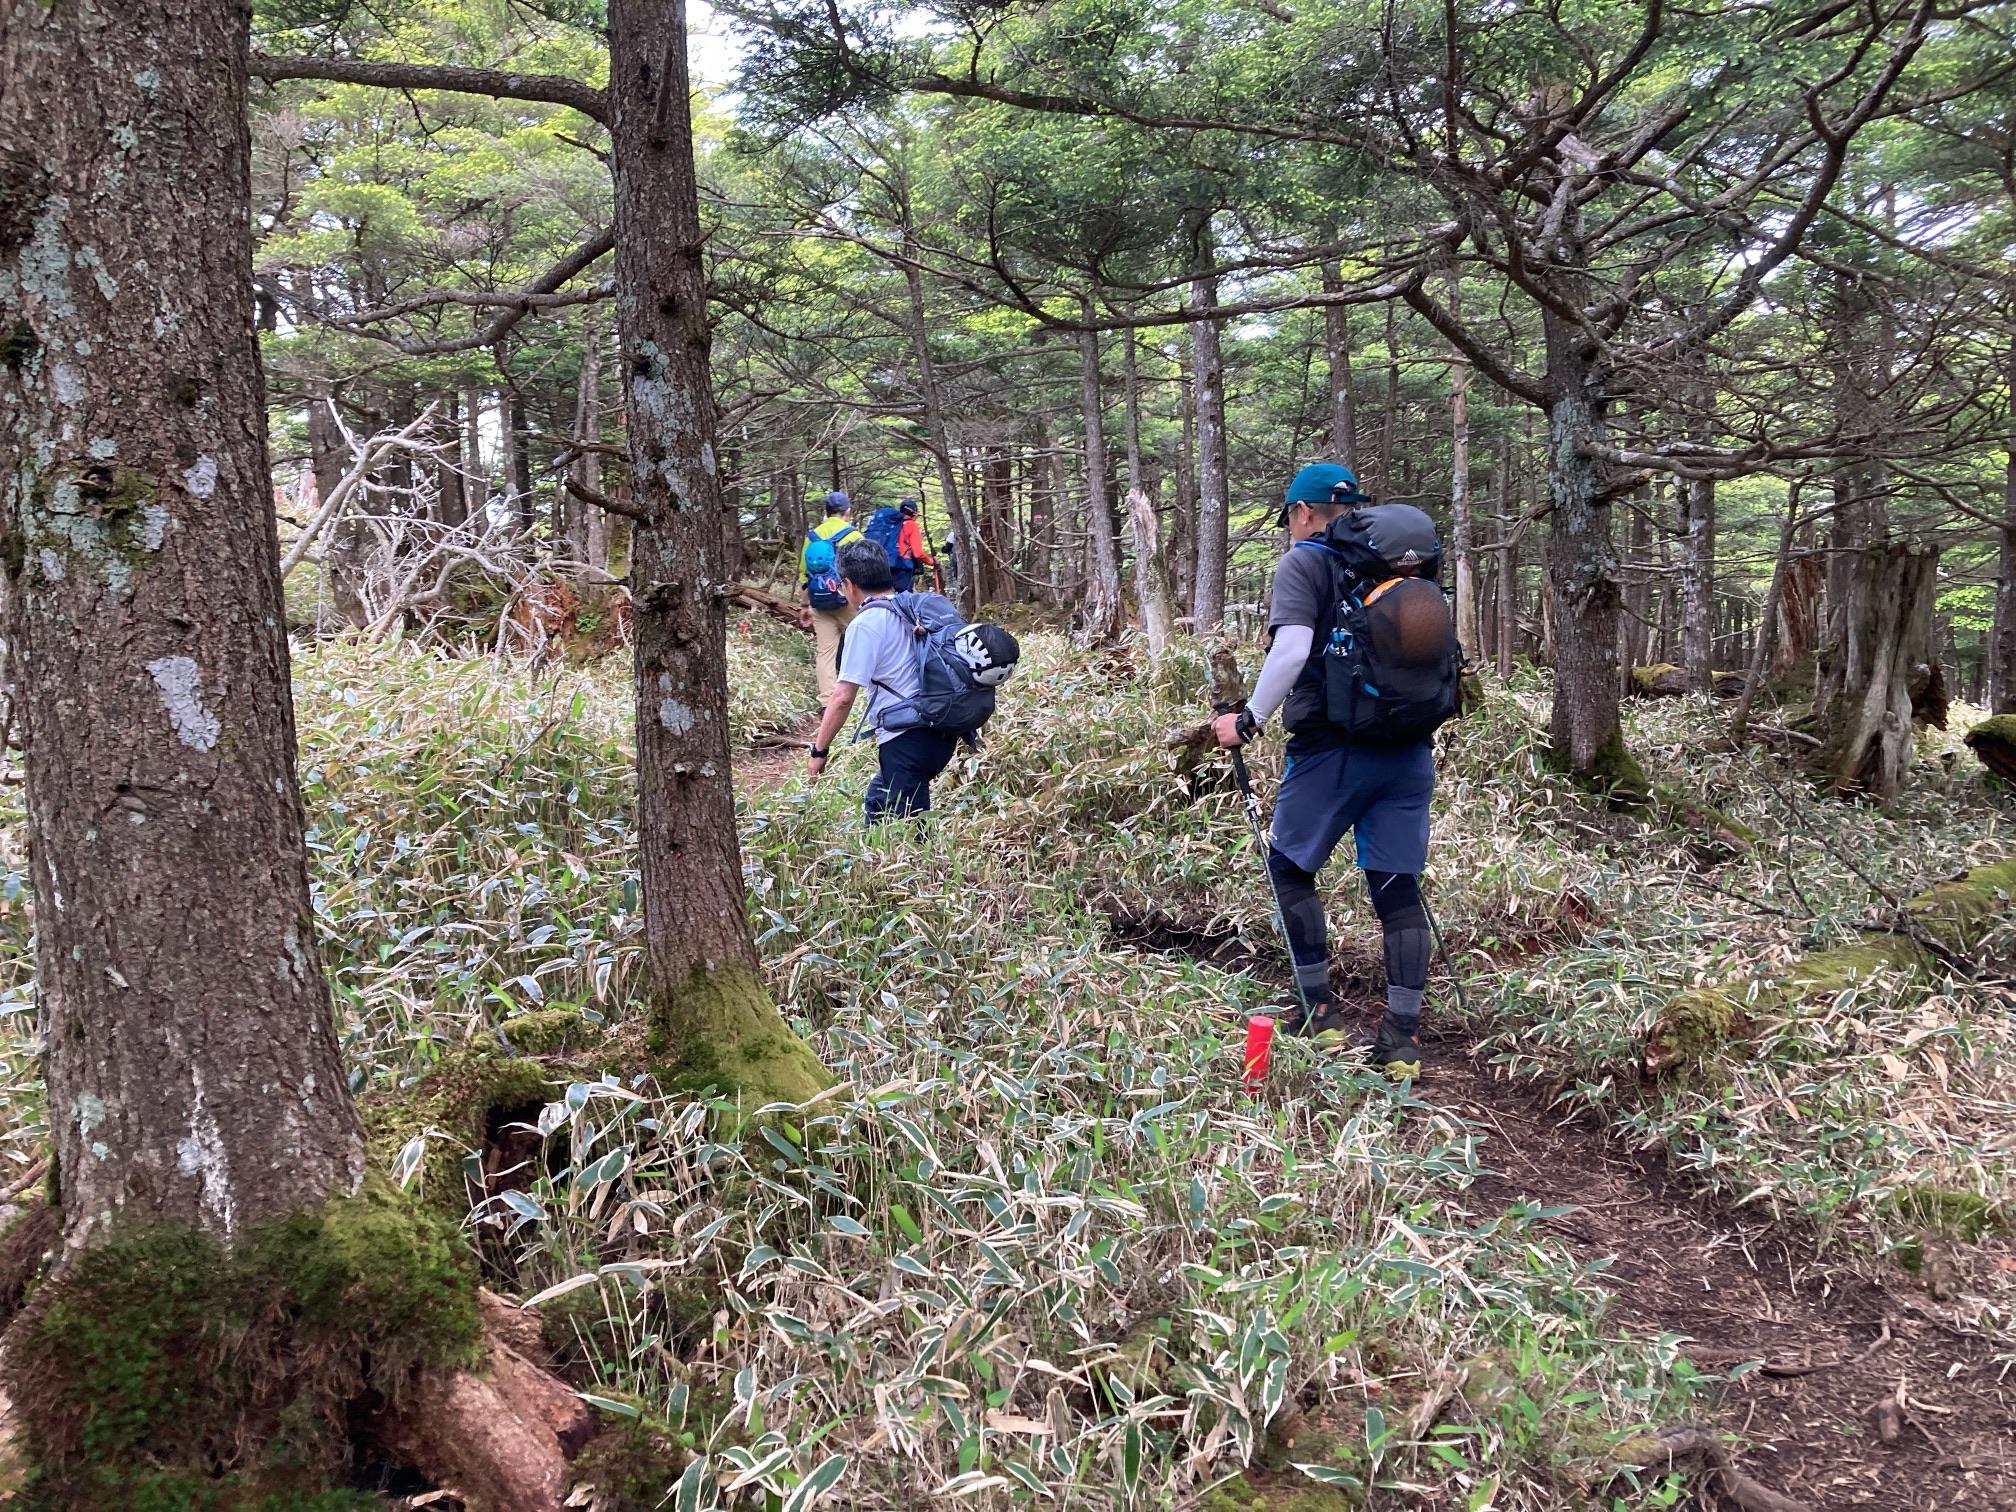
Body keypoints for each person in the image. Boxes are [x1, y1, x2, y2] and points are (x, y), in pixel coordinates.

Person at [1211, 462, 1442, 1079]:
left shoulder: (1305, 561)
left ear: (1302, 512)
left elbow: (1290, 651)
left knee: (1288, 866)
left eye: (1291, 515)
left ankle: (1319, 1014)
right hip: (1411, 750)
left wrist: (1249, 720)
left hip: (1334, 751)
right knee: (1396, 888)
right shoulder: (1402, 562)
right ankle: (1400, 1043)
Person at [807, 541, 961, 824]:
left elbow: (842, 697)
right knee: (878, 804)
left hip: (906, 739)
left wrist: (820, 750)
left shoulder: (866, 623)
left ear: (848, 584)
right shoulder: (912, 608)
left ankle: (928, 867)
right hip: (942, 729)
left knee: (910, 831)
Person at [800, 490, 862, 700]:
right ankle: (861, 695)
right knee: (862, 644)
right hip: (848, 599)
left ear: (826, 512)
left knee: (825, 652)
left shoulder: (813, 536)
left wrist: (804, 606)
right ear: (848, 511)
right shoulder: (854, 535)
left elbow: (804, 574)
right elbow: (863, 569)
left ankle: (827, 700)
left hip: (819, 601)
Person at [893, 499, 937, 593]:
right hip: (904, 567)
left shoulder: (893, 525)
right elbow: (918, 553)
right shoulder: (912, 525)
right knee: (904, 598)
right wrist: (931, 561)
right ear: (913, 512)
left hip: (888, 565)